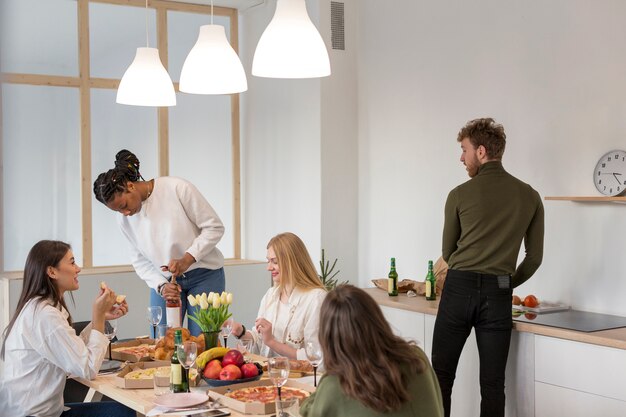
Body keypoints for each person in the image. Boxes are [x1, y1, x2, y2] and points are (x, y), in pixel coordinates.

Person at [432, 117, 544, 417]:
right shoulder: (530, 196)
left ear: (481, 151)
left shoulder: (458, 194)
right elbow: (534, 258)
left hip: (458, 290)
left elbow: (448, 252)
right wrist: (505, 282)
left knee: (441, 377)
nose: (461, 157)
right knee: (493, 385)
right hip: (499, 295)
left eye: (464, 150)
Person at [93, 149, 225, 336]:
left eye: (124, 206)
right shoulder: (124, 220)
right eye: (118, 211)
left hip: (205, 276)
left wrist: (187, 258)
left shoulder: (177, 188)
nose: (125, 214)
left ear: (130, 186)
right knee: (161, 341)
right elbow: (139, 260)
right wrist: (161, 286)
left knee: (203, 342)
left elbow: (214, 227)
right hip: (165, 283)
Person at [0, 240, 133, 417]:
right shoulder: (45, 315)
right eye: (72, 262)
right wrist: (98, 317)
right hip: (33, 415)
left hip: (44, 411)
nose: (78, 268)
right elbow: (88, 369)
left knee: (122, 410)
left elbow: (73, 352)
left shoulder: (42, 307)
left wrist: (98, 320)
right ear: (52, 271)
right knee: (123, 413)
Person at [299, 285, 443, 417]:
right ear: (376, 318)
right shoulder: (416, 358)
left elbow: (308, 411)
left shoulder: (335, 386)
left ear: (328, 337)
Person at [230, 232, 326, 360]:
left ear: (292, 262)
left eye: (274, 262)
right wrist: (241, 332)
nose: (268, 268)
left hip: (302, 378)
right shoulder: (271, 295)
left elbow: (316, 356)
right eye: (268, 261)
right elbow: (260, 341)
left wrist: (272, 342)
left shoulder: (316, 299)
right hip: (272, 375)